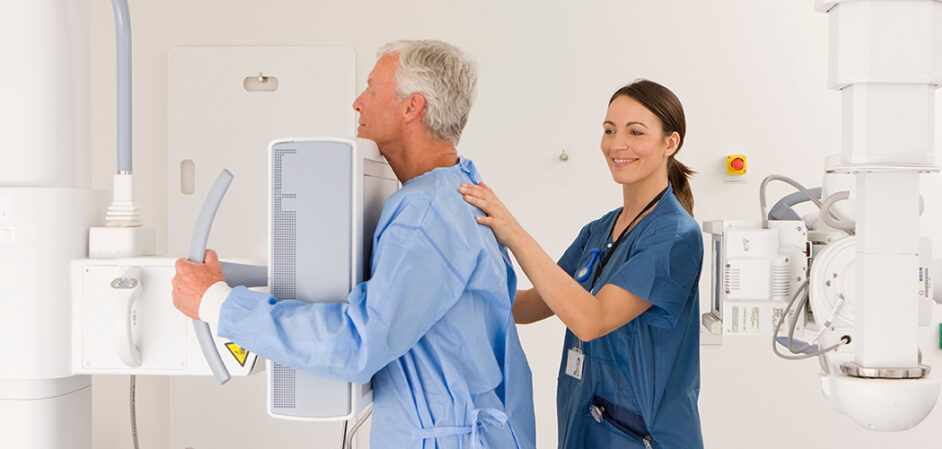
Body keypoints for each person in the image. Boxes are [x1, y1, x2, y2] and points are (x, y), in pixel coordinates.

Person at [171, 40, 536, 449]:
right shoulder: (460, 186)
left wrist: (215, 304)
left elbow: (358, 344)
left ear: (411, 107)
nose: (357, 102)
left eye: (372, 88)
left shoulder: (425, 213)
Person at [459, 80, 703, 449]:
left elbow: (590, 320)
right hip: (584, 429)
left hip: (643, 439)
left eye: (635, 132)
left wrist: (514, 232)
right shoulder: (601, 230)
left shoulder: (676, 236)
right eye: (609, 130)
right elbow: (528, 306)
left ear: (671, 143)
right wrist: (454, 283)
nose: (617, 144)